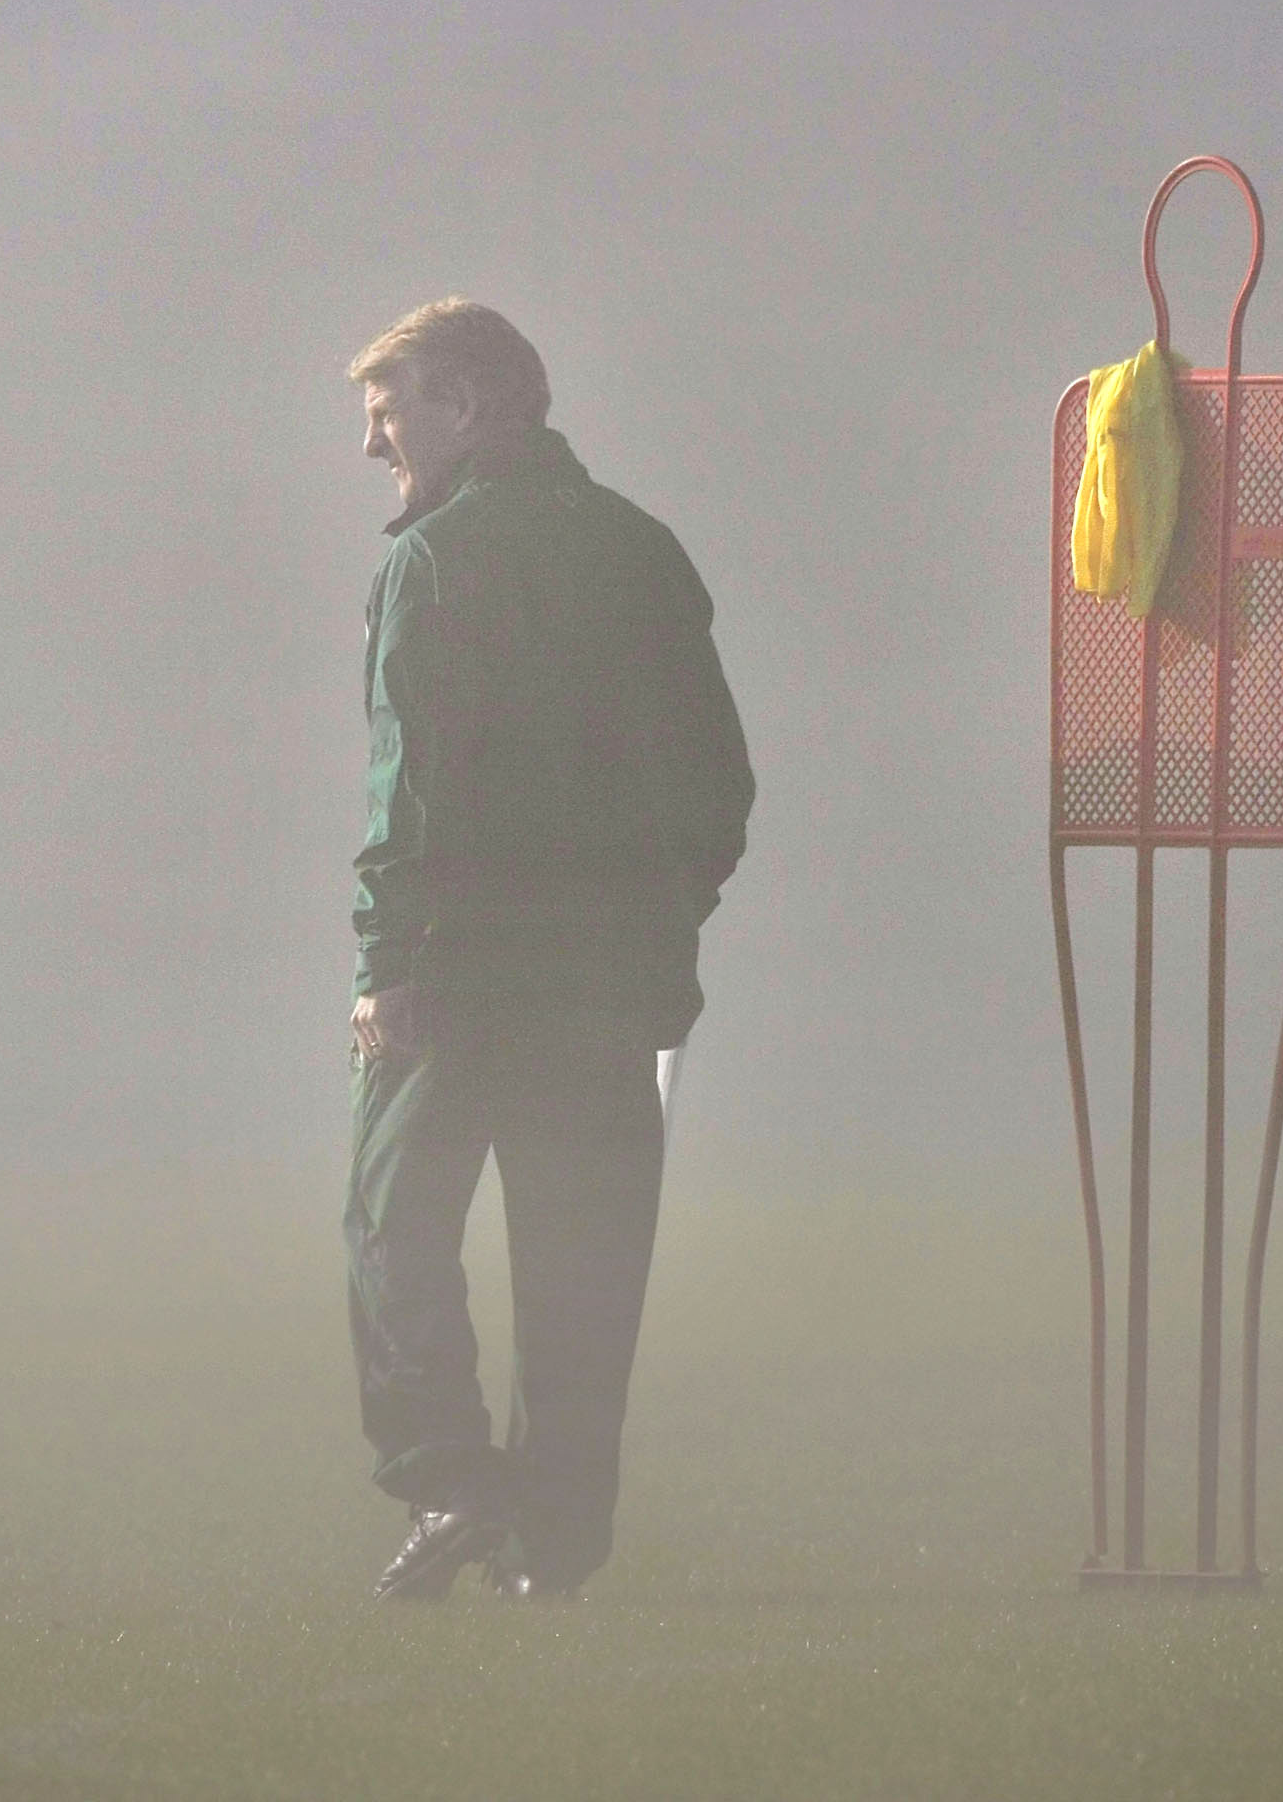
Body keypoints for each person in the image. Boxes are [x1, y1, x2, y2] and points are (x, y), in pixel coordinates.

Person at [340, 298, 753, 1602]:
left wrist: (386, 962)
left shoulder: (436, 563)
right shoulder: (642, 549)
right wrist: (659, 927)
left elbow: (414, 794)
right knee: (586, 1261)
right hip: (608, 988)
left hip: (459, 975)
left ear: (466, 403)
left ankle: (452, 1480)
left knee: (392, 1224)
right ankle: (559, 1543)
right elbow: (717, 786)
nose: (373, 445)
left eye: (388, 411)